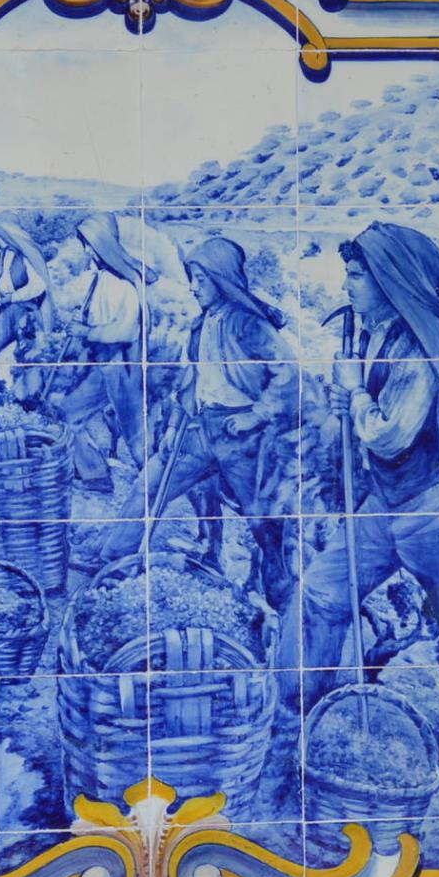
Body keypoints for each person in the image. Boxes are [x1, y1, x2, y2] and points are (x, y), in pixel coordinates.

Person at [273, 220, 439, 681]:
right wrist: (351, 399)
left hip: (432, 510)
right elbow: (369, 409)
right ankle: (296, 708)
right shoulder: (376, 332)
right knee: (322, 593)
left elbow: (390, 435)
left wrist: (354, 394)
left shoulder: (420, 350)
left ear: (389, 280)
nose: (345, 285)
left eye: (356, 276)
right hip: (384, 504)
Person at [151, 235, 298, 605]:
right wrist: (172, 424)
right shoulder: (201, 325)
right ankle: (116, 559)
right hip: (204, 426)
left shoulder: (248, 325)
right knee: (154, 489)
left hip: (243, 434)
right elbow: (192, 379)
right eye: (191, 278)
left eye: (201, 279)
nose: (193, 287)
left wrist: (256, 414)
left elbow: (288, 374)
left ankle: (279, 599)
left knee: (263, 522)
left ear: (221, 279)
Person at [60, 211, 157, 483]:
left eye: (88, 244)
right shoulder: (99, 279)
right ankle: (95, 475)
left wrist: (86, 331)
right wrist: (83, 322)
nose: (85, 250)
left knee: (137, 436)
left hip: (122, 368)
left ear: (101, 246)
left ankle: (156, 486)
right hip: (101, 366)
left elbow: (126, 330)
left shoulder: (125, 286)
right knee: (68, 414)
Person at [0, 217, 52, 369]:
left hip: (24, 309)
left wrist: (13, 297)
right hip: (2, 309)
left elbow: (39, 286)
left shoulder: (27, 256)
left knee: (29, 353)